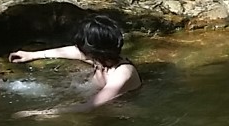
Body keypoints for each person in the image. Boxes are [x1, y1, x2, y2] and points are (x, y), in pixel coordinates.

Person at [8, 15, 139, 116]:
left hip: (120, 109)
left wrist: (41, 113)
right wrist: (32, 55)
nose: (79, 50)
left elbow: (89, 106)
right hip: (96, 100)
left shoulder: (122, 74)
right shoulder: (103, 59)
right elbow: (71, 51)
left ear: (94, 51)